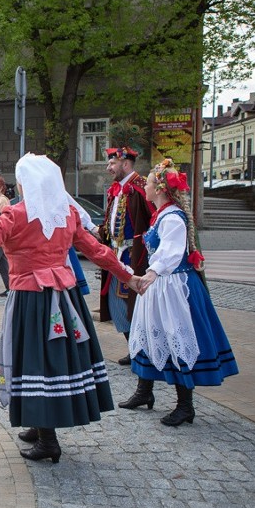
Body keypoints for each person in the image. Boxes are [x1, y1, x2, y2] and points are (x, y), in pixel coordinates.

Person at [0, 153, 141, 463]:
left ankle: (48, 439)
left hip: (31, 299)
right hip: (64, 297)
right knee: (54, 360)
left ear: (25, 183)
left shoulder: (16, 215)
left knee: (33, 360)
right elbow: (97, 251)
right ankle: (39, 424)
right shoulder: (67, 215)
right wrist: (129, 276)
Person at [121, 159, 239, 426]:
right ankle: (144, 392)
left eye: (149, 183)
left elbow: (170, 255)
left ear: (160, 189)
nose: (146, 187)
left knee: (175, 338)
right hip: (160, 286)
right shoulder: (162, 214)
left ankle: (185, 406)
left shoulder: (172, 217)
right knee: (150, 335)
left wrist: (150, 275)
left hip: (174, 288)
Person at [97, 147, 154, 365]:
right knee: (117, 306)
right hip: (116, 256)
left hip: (135, 258)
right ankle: (135, 349)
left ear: (125, 164)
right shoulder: (118, 189)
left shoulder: (139, 189)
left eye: (112, 163)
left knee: (131, 305)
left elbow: (153, 221)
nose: (108, 168)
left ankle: (142, 352)